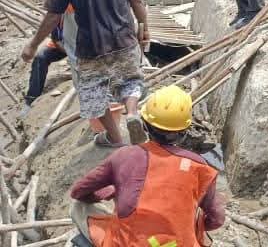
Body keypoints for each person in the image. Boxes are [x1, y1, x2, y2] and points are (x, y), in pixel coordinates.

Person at [22, 0, 150, 148]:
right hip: (124, 40)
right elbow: (136, 0)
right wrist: (144, 27)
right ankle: (132, 113)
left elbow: (53, 16)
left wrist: (33, 44)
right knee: (131, 81)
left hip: (91, 48)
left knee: (94, 94)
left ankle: (115, 138)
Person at [70, 85, 225, 247]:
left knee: (78, 207)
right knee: (195, 215)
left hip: (128, 243)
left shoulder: (124, 156)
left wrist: (108, 192)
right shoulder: (199, 167)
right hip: (177, 244)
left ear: (144, 124)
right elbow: (217, 218)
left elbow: (78, 192)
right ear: (184, 130)